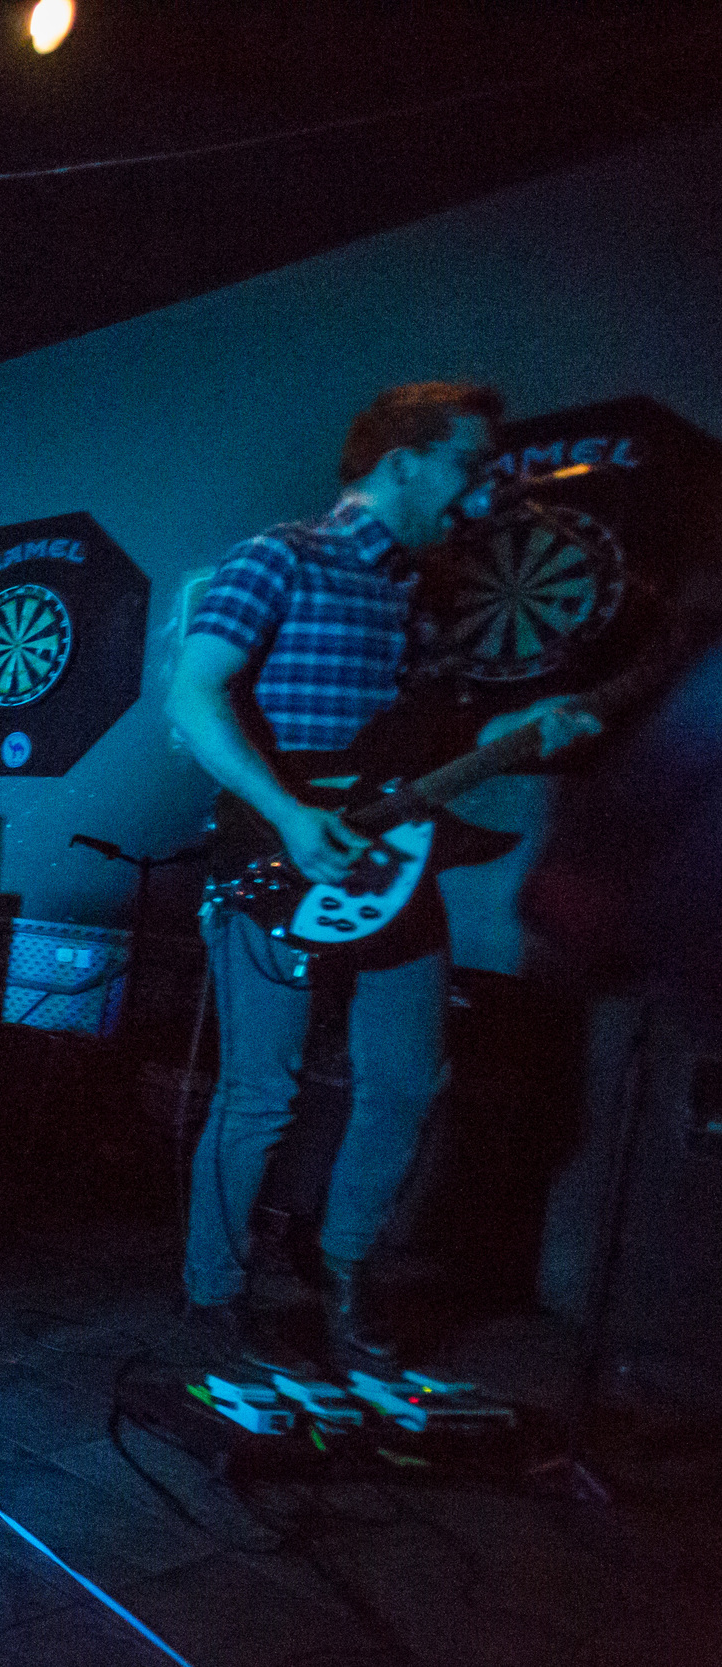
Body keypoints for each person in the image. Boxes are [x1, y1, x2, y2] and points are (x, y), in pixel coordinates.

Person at [167, 381, 597, 1370]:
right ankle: (214, 1290)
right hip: (277, 857)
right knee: (261, 1090)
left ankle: (343, 1266)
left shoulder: (422, 598)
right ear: (401, 460)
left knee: (407, 1078)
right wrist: (288, 814)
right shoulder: (283, 554)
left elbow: (436, 740)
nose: (479, 490)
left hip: (396, 862)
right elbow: (195, 693)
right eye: (468, 463)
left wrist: (526, 732)